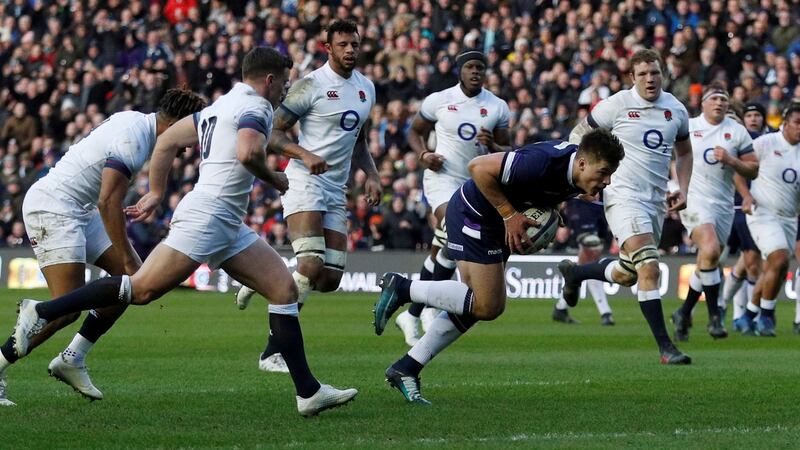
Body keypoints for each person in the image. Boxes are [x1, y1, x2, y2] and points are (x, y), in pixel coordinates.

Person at [10, 47, 357, 416]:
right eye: (284, 82)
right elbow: (248, 153)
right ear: (269, 80)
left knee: (283, 289)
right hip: (209, 216)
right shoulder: (257, 107)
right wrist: (275, 178)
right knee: (140, 288)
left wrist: (157, 192)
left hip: (225, 221)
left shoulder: (222, 105)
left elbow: (168, 140)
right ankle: (43, 310)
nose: (286, 90)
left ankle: (308, 392)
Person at [372, 130, 625, 404]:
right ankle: (403, 287)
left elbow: (538, 186)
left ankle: (407, 367)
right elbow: (478, 168)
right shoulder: (544, 161)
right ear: (583, 163)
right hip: (475, 214)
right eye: (603, 173)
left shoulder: (579, 175)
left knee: (476, 306)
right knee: (488, 305)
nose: (607, 180)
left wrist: (547, 210)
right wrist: (510, 215)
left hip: (499, 222)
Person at [0, 88, 206, 406]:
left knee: (129, 281)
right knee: (65, 310)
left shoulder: (139, 123)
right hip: (54, 207)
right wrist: (124, 252)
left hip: (78, 208)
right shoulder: (135, 139)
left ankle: (73, 358)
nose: (192, 144)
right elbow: (108, 201)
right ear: (179, 123)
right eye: (193, 131)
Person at [234, 20, 381, 373]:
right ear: (326, 47)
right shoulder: (310, 85)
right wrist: (304, 155)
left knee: (329, 279)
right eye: (343, 44)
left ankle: (266, 272)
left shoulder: (366, 88)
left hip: (336, 187)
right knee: (312, 264)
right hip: (304, 179)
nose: (350, 50)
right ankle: (272, 352)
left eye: (355, 44)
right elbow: (273, 132)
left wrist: (372, 173)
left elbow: (358, 140)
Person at [558, 49, 694, 365]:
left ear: (664, 74)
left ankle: (576, 273)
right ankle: (666, 348)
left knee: (627, 275)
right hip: (622, 196)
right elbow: (577, 136)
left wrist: (682, 188)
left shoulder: (675, 109)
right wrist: (584, 179)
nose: (650, 79)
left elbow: (685, 153)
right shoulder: (617, 105)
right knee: (649, 266)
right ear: (632, 77)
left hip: (656, 201)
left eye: (655, 72)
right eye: (643, 74)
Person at [395, 50, 511, 347]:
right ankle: (422, 308)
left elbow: (507, 149)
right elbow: (414, 132)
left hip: (476, 186)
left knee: (444, 249)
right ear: (460, 70)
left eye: (481, 68)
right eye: (470, 67)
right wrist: (423, 155)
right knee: (450, 227)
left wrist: (493, 143)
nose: (476, 72)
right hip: (442, 178)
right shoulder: (439, 100)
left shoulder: (497, 106)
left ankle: (415, 312)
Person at [671, 82, 757, 341]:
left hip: (723, 205)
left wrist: (732, 161)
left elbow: (753, 168)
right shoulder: (690, 127)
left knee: (708, 261)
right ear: (703, 102)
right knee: (709, 250)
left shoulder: (737, 131)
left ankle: (684, 313)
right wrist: (678, 189)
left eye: (723, 99)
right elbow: (676, 159)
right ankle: (714, 317)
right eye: (714, 98)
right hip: (694, 200)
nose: (719, 103)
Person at [733, 103, 800, 337]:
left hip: (790, 217)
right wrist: (746, 195)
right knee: (779, 259)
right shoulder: (766, 143)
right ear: (785, 123)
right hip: (762, 212)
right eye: (797, 123)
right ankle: (767, 316)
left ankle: (748, 315)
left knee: (777, 269)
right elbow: (740, 170)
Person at [723, 102, 767, 329]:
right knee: (748, 262)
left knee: (747, 262)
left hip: (760, 208)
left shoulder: (763, 141)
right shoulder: (733, 140)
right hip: (736, 207)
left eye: (757, 115)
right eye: (748, 115)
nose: (753, 119)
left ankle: (728, 310)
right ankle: (751, 315)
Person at [551, 197, 615, 326]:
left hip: (594, 210)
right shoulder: (578, 202)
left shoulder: (598, 199)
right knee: (589, 264)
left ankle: (560, 309)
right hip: (584, 211)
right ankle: (605, 313)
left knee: (582, 270)